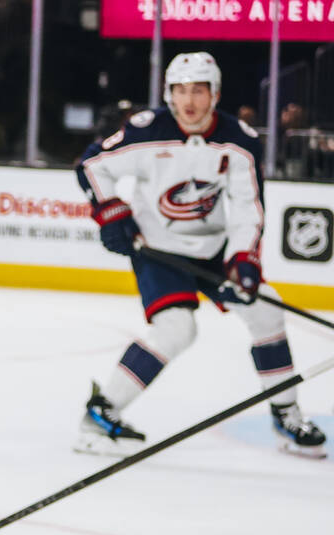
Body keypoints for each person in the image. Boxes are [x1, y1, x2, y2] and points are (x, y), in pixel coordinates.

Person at [76, 52, 325, 458]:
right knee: (176, 328)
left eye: (198, 90)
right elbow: (91, 165)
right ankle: (101, 414)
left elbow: (248, 208)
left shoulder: (239, 140)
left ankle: (286, 415)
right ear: (168, 94)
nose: (189, 100)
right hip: (157, 248)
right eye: (180, 90)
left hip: (213, 252)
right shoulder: (147, 131)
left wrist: (244, 258)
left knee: (267, 310)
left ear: (215, 94)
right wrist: (112, 213)